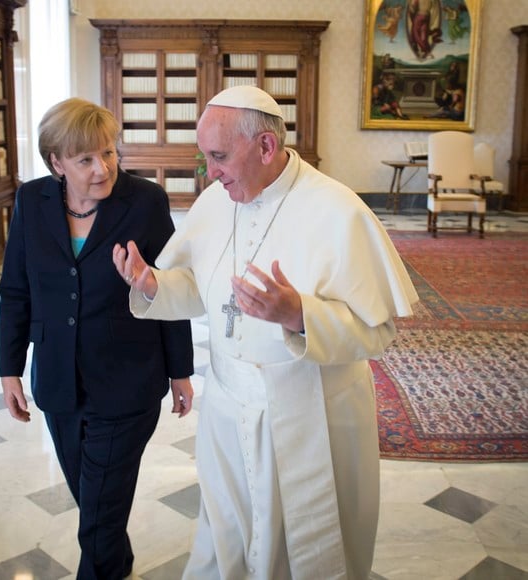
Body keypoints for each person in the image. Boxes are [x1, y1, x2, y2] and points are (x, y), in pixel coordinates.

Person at [113, 86, 418, 579]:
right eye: (205, 157)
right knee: (228, 534)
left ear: (266, 148)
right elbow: (200, 288)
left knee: (306, 550)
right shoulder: (217, 202)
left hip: (310, 412)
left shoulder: (338, 211)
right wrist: (153, 285)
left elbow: (377, 331)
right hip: (227, 411)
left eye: (218, 156)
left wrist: (300, 315)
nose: (208, 172)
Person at [0, 98, 195, 579]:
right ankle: (118, 563)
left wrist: (180, 371)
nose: (102, 167)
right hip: (59, 383)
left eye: (108, 153)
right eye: (85, 159)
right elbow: (16, 290)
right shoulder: (32, 201)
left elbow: (169, 286)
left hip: (127, 380)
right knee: (94, 502)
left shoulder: (145, 202)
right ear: (56, 163)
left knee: (97, 521)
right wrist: (10, 368)